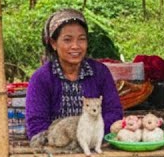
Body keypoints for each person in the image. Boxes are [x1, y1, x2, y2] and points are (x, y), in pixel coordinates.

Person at [24, 8, 124, 143]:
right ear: (54, 43)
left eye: (81, 39)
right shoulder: (41, 78)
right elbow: (36, 124)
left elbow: (114, 112)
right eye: (67, 40)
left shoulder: (100, 72)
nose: (75, 46)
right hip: (57, 147)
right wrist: (66, 139)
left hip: (96, 143)